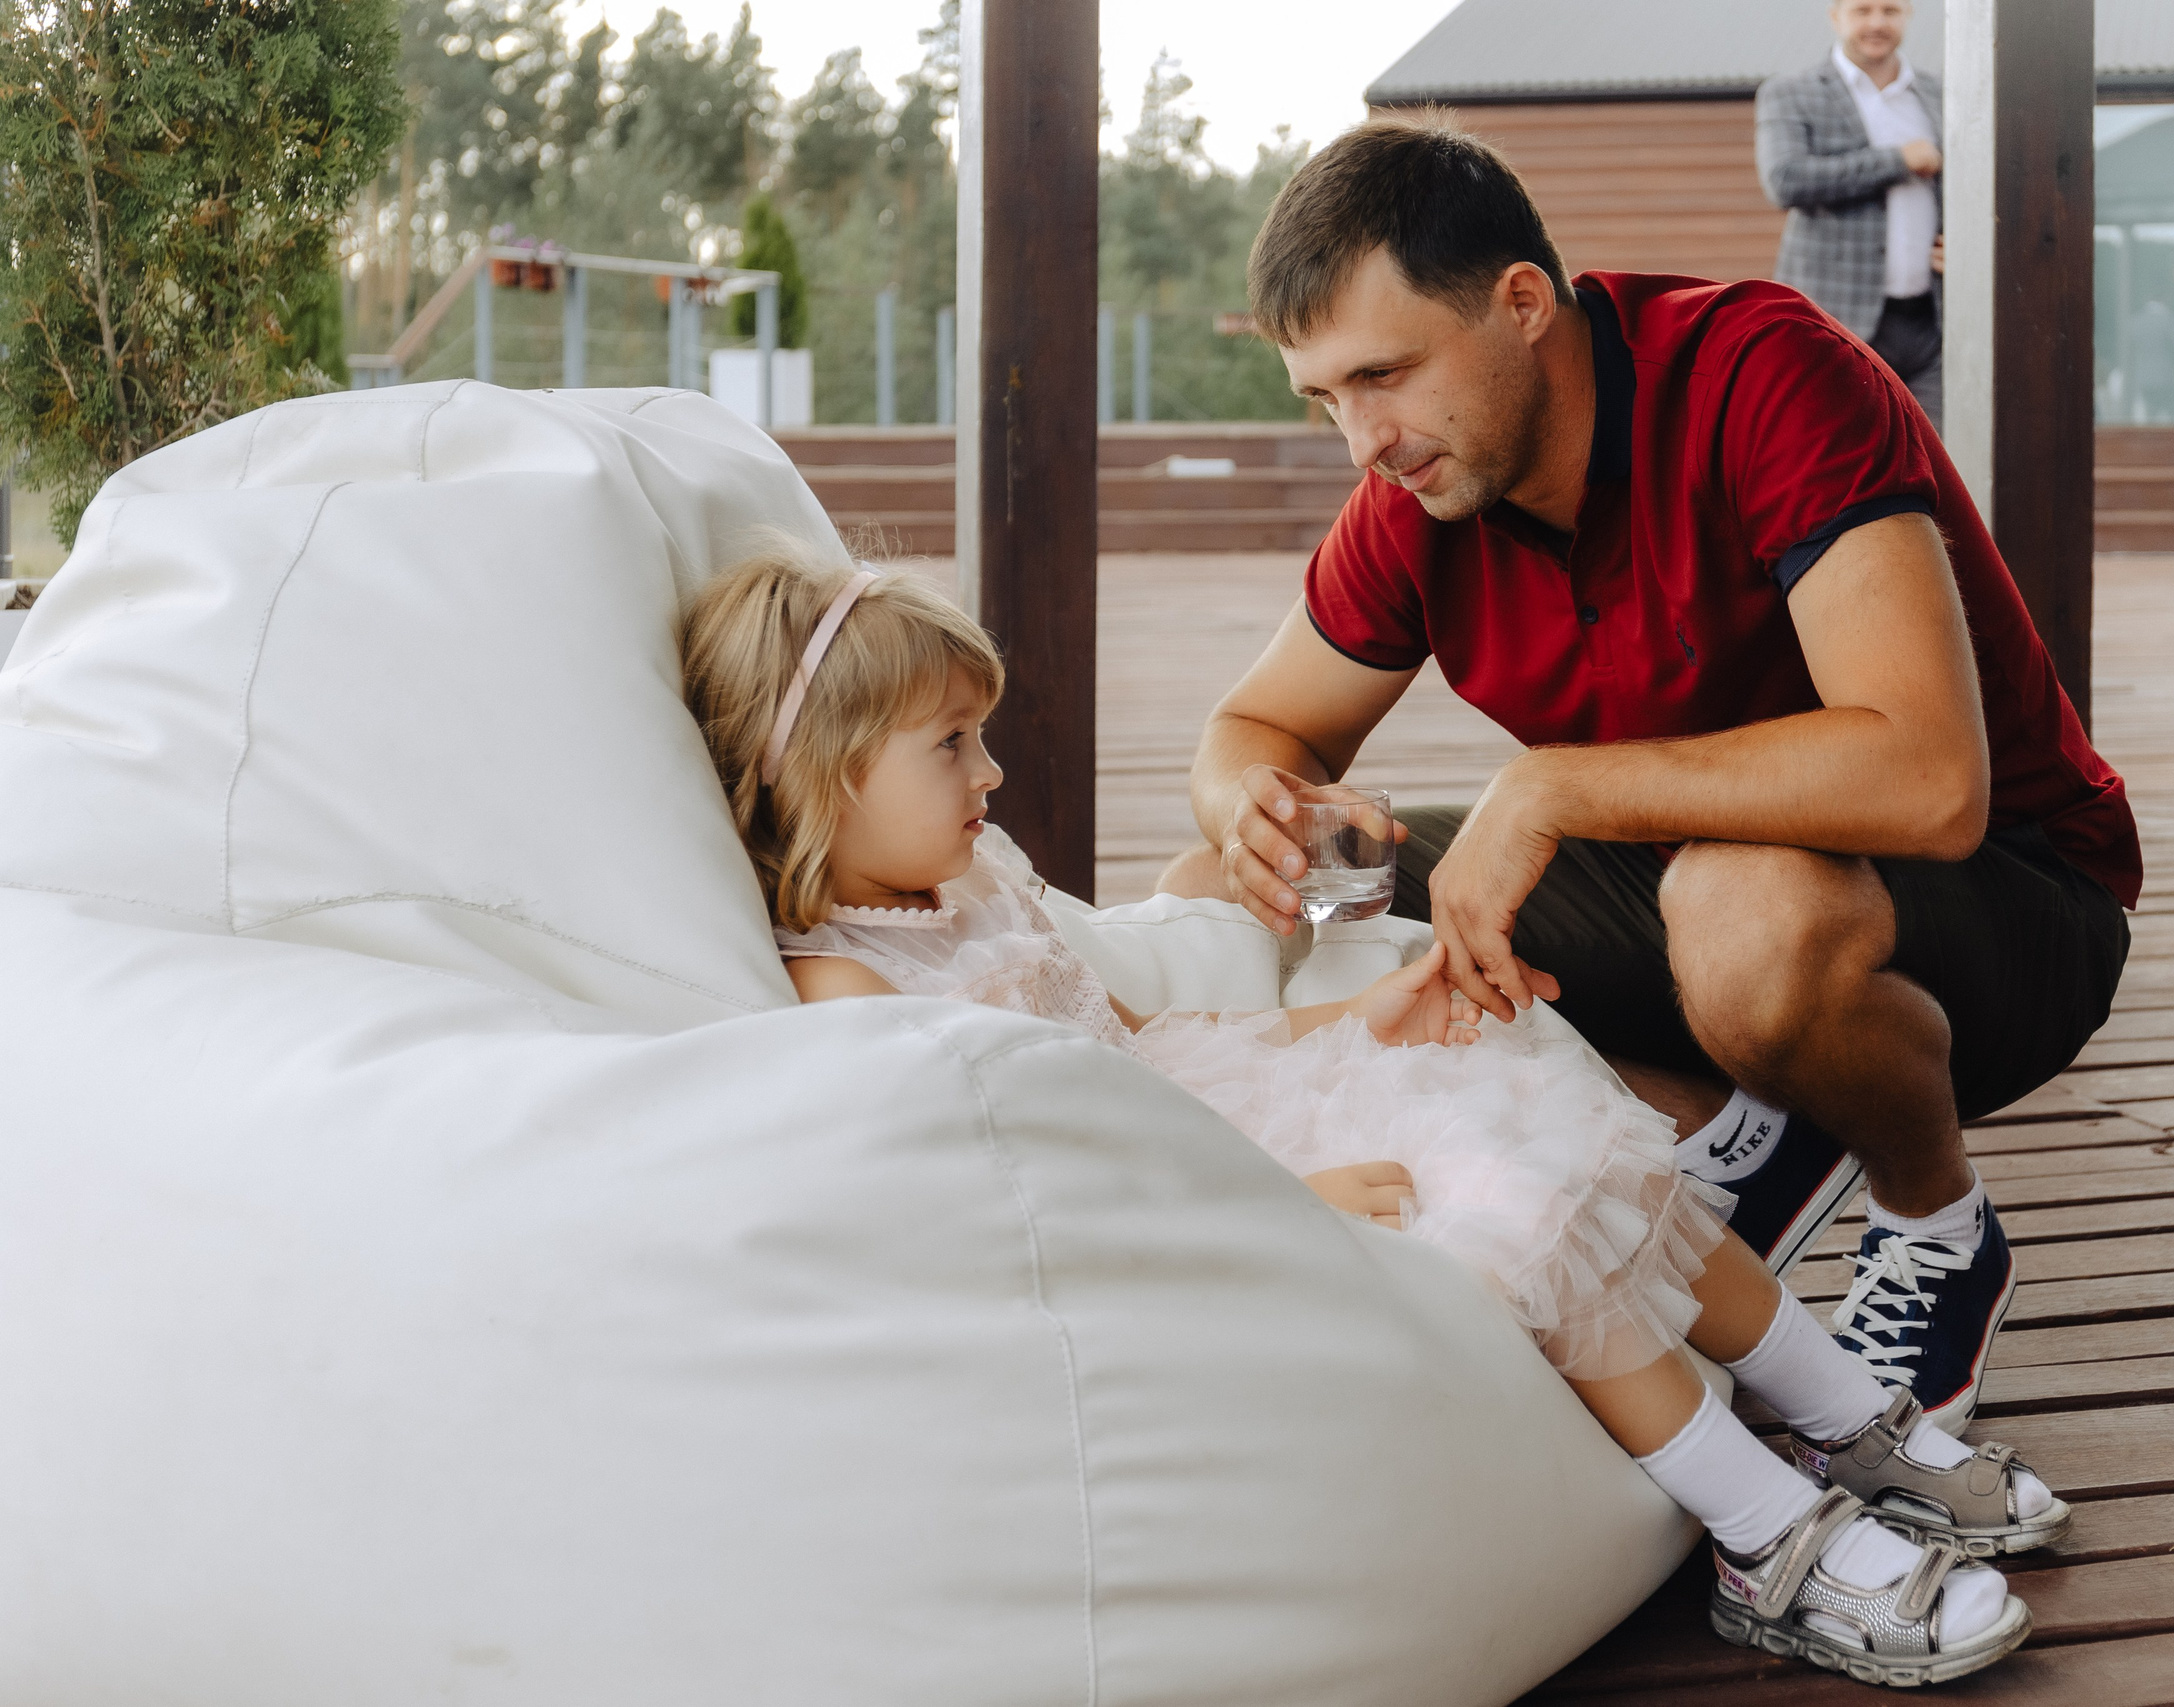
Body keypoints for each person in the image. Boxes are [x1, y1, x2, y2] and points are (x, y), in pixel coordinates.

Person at [678, 546, 2064, 1684]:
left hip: (1210, 1102)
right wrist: (1272, 1203)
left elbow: (1138, 1040)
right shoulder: (850, 983)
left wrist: (1357, 1021)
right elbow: (1018, 1180)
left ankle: (1846, 1413)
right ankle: (1767, 1531)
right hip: (1192, 1177)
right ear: (831, 772)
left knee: (1572, 1124)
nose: (991, 774)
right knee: (1511, 1201)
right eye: (951, 745)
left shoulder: (973, 887)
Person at [1159, 119, 2140, 1435]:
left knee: (1745, 915)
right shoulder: (1418, 491)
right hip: (1689, 887)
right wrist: (1256, 812)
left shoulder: (1764, 372)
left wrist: (1552, 790)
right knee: (1229, 891)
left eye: (1382, 375)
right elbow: (1255, 730)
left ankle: (1932, 1217)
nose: (1363, 441)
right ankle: (1720, 1125)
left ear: (1521, 304)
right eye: (1325, 395)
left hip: (2008, 900)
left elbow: (1928, 775)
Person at [1756, 0, 1946, 424]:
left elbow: (1968, 184)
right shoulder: (1790, 93)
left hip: (1931, 326)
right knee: (1841, 466)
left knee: (1935, 468)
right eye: (1863, 10)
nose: (1877, 22)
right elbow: (1784, 180)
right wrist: (1897, 160)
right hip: (1835, 321)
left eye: (1890, 10)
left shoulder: (1940, 94)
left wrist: (1967, 243)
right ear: (1836, 16)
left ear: (1908, 15)